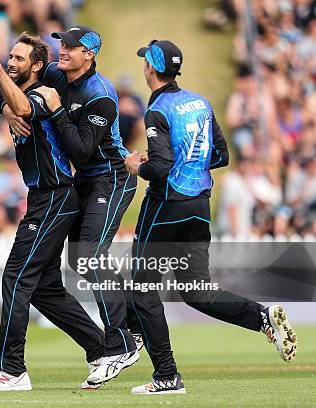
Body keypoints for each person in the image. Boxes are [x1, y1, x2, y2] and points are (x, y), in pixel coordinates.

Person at [124, 39, 298, 395]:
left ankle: (166, 376)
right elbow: (220, 155)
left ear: (152, 69)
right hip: (199, 208)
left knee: (143, 291)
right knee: (196, 291)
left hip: (166, 207)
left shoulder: (157, 109)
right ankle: (261, 318)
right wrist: (190, 164)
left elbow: (159, 167)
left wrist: (134, 166)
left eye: (146, 62)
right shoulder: (199, 102)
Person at [0, 31, 106, 392]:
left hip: (56, 197)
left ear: (37, 65)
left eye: (19, 59)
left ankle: (12, 370)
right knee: (43, 288)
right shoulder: (16, 94)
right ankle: (104, 348)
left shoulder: (41, 93)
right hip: (44, 198)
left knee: (16, 276)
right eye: (9, 56)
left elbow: (25, 108)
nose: (11, 62)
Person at [12, 25, 139, 388]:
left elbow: (82, 149)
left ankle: (120, 344)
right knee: (70, 266)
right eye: (61, 44)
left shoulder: (101, 95)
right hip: (81, 182)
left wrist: (55, 110)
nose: (63, 50)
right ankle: (131, 326)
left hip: (110, 178)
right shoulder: (55, 72)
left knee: (90, 256)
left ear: (90, 54)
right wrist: (9, 110)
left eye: (72, 46)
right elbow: (19, 90)